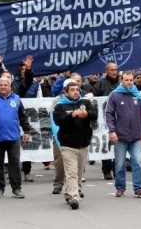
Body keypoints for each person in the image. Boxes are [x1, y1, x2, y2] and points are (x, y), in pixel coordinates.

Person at [0, 77, 30, 199]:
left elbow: (23, 117)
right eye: (1, 85)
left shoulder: (16, 99)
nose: (3, 87)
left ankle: (17, 188)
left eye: (5, 85)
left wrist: (27, 131)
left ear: (10, 86)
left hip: (13, 137)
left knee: (15, 164)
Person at [53, 79, 98, 209]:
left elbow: (94, 115)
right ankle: (75, 197)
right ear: (66, 92)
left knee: (78, 172)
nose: (75, 92)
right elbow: (58, 120)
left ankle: (71, 191)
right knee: (71, 172)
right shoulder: (60, 105)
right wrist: (72, 115)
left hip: (83, 143)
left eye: (77, 90)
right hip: (68, 145)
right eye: (72, 90)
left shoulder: (85, 102)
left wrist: (86, 114)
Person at [105, 71, 141, 199]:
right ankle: (120, 188)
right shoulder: (114, 95)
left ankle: (139, 188)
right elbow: (109, 115)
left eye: (131, 80)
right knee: (119, 164)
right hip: (120, 136)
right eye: (126, 80)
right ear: (121, 80)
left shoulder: (138, 96)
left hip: (136, 136)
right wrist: (112, 131)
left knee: (137, 163)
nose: (129, 82)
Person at [92, 62, 120, 180]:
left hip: (119, 119)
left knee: (118, 144)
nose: (114, 72)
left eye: (116, 70)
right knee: (106, 143)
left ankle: (117, 169)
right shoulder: (100, 84)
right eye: (112, 70)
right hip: (104, 120)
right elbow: (94, 99)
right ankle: (107, 170)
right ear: (106, 71)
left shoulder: (120, 84)